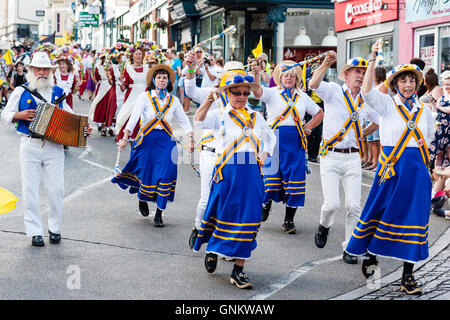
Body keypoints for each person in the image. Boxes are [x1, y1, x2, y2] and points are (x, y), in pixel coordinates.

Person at [345, 42, 435, 295]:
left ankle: (408, 276)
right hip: (391, 169)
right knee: (382, 212)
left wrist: (430, 170)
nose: (408, 85)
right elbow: (365, 92)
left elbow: (426, 144)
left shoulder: (425, 112)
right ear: (395, 84)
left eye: (411, 81)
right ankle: (371, 254)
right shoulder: (386, 104)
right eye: (403, 81)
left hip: (416, 171)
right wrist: (372, 58)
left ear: (417, 86)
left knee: (415, 219)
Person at [193, 70, 276, 289]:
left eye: (245, 93)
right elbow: (198, 121)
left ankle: (238, 270)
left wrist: (266, 152)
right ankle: (212, 249)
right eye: (236, 93)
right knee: (221, 214)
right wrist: (209, 100)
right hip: (227, 173)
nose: (241, 97)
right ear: (228, 93)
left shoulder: (256, 117)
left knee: (250, 219)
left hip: (252, 175)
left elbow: (270, 137)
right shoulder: (219, 114)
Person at [0, 51, 92, 247]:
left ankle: (55, 228)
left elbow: (71, 116)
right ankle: (34, 232)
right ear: (31, 70)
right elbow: (5, 114)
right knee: (30, 189)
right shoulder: (20, 91)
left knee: (56, 189)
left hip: (54, 146)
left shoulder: (58, 92)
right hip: (29, 145)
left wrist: (84, 128)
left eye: (45, 69)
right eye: (38, 69)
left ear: (51, 71)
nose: (42, 72)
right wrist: (19, 115)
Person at [309, 53, 380, 264]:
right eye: (356, 72)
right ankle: (324, 225)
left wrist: (364, 134)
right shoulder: (333, 91)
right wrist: (325, 63)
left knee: (354, 206)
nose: (360, 76)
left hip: (353, 158)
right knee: (331, 204)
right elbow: (313, 84)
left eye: (363, 72)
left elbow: (379, 121)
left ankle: (350, 247)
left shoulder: (367, 100)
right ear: (346, 75)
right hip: (330, 156)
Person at [112, 64, 194, 228]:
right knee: (147, 173)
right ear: (154, 80)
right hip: (147, 140)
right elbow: (134, 118)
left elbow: (184, 120)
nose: (162, 80)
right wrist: (125, 137)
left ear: (169, 81)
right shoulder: (145, 97)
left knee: (166, 174)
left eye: (165, 77)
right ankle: (142, 199)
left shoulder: (174, 100)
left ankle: (159, 213)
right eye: (159, 77)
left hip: (166, 142)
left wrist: (191, 137)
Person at [252, 60, 324, 234]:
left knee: (295, 181)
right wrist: (255, 74)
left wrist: (309, 127)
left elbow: (319, 113)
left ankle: (289, 220)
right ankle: (265, 204)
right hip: (274, 141)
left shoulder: (302, 97)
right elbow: (256, 91)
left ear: (297, 78)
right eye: (286, 75)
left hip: (295, 143)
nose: (289, 78)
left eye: (292, 75)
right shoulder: (271, 93)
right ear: (280, 77)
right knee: (270, 177)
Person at [184, 55, 245, 249]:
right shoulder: (213, 94)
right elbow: (190, 90)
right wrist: (191, 69)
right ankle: (197, 227)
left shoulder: (243, 99)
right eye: (232, 76)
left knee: (230, 198)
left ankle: (222, 238)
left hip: (234, 157)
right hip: (211, 154)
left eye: (239, 76)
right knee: (207, 196)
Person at [115, 46, 149, 142]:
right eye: (136, 54)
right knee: (130, 122)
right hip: (131, 99)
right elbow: (123, 89)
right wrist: (121, 82)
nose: (138, 56)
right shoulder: (128, 69)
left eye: (140, 54)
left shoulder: (147, 68)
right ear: (132, 56)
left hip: (144, 98)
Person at [362, 66, 386, 171]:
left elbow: (383, 101)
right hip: (369, 115)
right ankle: (372, 160)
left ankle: (377, 163)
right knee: (371, 141)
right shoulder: (373, 86)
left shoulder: (383, 85)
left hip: (377, 116)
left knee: (377, 141)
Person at [88, 54, 116, 137]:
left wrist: (110, 78)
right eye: (105, 59)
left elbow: (114, 80)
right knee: (103, 107)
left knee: (110, 107)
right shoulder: (98, 67)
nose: (107, 61)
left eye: (109, 59)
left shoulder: (113, 67)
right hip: (102, 88)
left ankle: (111, 126)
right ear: (102, 59)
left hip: (110, 88)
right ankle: (103, 127)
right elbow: (96, 80)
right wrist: (93, 79)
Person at [430, 70, 450, 168]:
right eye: (445, 84)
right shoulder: (441, 98)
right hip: (440, 127)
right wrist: (434, 106)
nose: (447, 86)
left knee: (449, 152)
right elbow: (436, 111)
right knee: (439, 154)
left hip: (449, 128)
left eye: (449, 84)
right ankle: (437, 174)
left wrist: (439, 107)